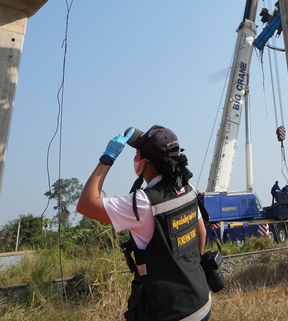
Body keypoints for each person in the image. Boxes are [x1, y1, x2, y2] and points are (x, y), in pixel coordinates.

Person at [78, 125, 212, 321]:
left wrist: (107, 158)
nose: (134, 158)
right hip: (201, 303)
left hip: (171, 313)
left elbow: (86, 204)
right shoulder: (187, 187)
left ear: (146, 163)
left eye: (136, 154)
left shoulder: (143, 203)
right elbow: (201, 234)